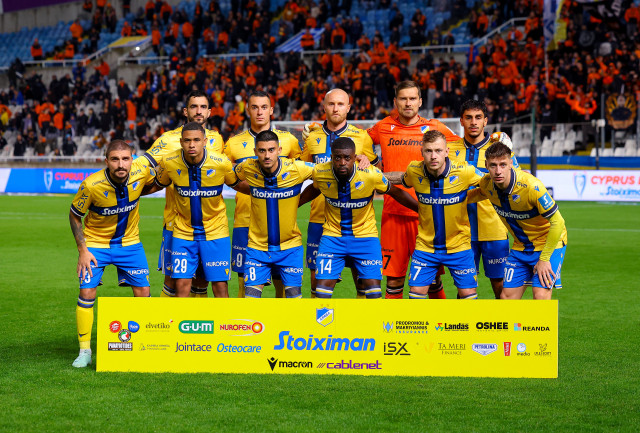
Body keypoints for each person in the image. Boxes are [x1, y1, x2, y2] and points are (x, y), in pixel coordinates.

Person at [367, 80, 460, 299]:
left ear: (420, 101)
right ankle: (395, 322)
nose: (408, 103)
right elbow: (358, 141)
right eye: (403, 99)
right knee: (393, 280)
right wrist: (366, 157)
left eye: (412, 99)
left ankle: (441, 321)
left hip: (427, 215)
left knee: (432, 280)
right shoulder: (383, 127)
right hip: (393, 215)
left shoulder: (435, 127)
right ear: (395, 102)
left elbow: (462, 148)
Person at [69, 140, 156, 368]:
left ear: (132, 159)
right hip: (95, 245)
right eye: (115, 159)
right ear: (106, 161)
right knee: (86, 291)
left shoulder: (141, 172)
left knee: (144, 292)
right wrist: (82, 250)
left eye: (125, 159)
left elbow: (159, 181)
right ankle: (85, 351)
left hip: (130, 244)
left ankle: (143, 343)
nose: (121, 164)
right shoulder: (91, 185)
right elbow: (75, 215)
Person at [300, 136, 418, 299]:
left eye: (347, 158)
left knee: (374, 293)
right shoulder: (320, 172)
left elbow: (395, 192)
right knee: (321, 292)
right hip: (332, 238)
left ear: (355, 157)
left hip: (366, 238)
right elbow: (315, 188)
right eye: (337, 158)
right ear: (331, 157)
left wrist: (421, 209)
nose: (342, 162)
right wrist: (295, 205)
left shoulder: (370, 175)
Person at [139, 90, 224, 298]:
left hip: (210, 226)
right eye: (194, 106)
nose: (198, 111)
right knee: (173, 281)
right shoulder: (169, 139)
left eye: (203, 107)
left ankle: (196, 319)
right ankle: (169, 319)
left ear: (209, 112)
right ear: (185, 111)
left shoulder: (217, 139)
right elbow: (144, 163)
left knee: (202, 281)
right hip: (176, 223)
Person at [385, 130, 483, 300]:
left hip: (459, 246)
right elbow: (402, 179)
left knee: (468, 296)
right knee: (416, 294)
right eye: (428, 151)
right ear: (421, 152)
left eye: (438, 150)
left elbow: (490, 182)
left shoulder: (464, 171)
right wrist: (371, 174)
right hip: (426, 247)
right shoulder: (414, 170)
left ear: (446, 152)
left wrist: (516, 175)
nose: (433, 156)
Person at [301, 88, 379, 298]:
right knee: (317, 283)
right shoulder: (312, 137)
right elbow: (303, 170)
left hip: (358, 224)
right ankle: (319, 318)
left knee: (362, 282)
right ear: (324, 107)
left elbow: (376, 171)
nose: (336, 108)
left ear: (348, 108)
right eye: (331, 104)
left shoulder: (361, 137)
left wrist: (365, 160)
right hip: (319, 219)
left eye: (341, 104)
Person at [224, 91, 302, 298]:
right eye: (255, 107)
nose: (260, 112)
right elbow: (226, 176)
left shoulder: (289, 140)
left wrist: (293, 200)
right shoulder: (233, 143)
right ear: (248, 110)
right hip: (245, 222)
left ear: (271, 110)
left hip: (281, 226)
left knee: (282, 287)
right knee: (245, 285)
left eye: (264, 107)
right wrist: (254, 191)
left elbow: (300, 171)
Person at [154, 122, 245, 297]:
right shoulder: (169, 162)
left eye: (196, 140)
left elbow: (239, 185)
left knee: (220, 286)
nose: (192, 145)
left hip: (216, 231)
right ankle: (184, 316)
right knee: (181, 283)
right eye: (187, 140)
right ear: (181, 142)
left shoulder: (221, 163)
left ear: (205, 141)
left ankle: (224, 317)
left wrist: (267, 191)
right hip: (183, 231)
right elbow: (158, 184)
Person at [470, 142, 567, 300]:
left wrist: (544, 259)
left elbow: (558, 222)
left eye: (503, 165)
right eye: (493, 165)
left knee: (540, 295)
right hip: (521, 246)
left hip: (548, 245)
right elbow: (476, 194)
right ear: (486, 165)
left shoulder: (531, 187)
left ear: (511, 164)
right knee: (506, 297)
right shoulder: (487, 184)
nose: (498, 171)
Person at [448, 99, 519, 298]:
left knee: (500, 285)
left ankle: (502, 319)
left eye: (478, 117)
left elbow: (515, 182)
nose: (473, 122)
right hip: (460, 231)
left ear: (485, 121)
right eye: (469, 117)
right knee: (465, 288)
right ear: (461, 121)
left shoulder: (500, 149)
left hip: (494, 229)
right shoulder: (449, 150)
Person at [230, 130, 312, 299]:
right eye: (262, 150)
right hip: (257, 248)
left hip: (290, 248)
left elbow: (326, 173)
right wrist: (252, 191)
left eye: (271, 150)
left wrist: (300, 200)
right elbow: (230, 177)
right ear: (255, 152)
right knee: (250, 299)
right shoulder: (247, 167)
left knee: (293, 297)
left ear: (279, 150)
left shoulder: (296, 168)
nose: (267, 155)